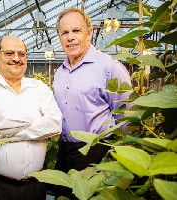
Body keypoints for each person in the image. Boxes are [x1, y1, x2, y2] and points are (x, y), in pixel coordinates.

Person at [52, 8, 132, 199]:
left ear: (89, 32)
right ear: (60, 37)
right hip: (65, 152)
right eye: (65, 32)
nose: (70, 37)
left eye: (76, 31)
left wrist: (114, 157)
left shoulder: (109, 68)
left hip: (97, 152)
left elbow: (126, 120)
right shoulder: (59, 73)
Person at [0, 35, 62, 200]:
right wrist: (37, 118)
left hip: (35, 186)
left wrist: (9, 136)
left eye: (21, 54)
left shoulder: (39, 87)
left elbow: (55, 124)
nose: (16, 58)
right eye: (9, 53)